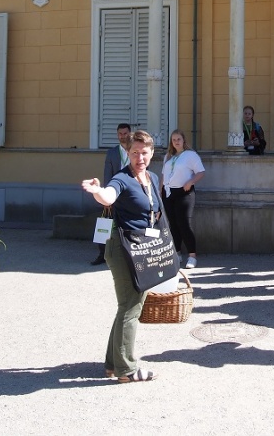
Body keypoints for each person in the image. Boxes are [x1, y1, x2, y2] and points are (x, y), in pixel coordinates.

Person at [81, 130, 162, 382]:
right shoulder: (122, 178)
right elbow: (109, 196)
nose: (139, 158)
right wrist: (97, 190)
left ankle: (112, 364)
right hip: (122, 247)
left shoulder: (151, 177)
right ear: (128, 153)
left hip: (142, 247)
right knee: (131, 306)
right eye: (134, 152)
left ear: (151, 153)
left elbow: (155, 211)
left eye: (144, 152)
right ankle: (126, 369)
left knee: (126, 306)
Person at [161, 129, 205, 269]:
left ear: (183, 140)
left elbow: (201, 172)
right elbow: (163, 176)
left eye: (178, 139)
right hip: (168, 192)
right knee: (173, 224)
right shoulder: (168, 156)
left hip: (184, 192)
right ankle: (177, 253)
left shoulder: (190, 155)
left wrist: (190, 182)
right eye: (174, 140)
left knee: (184, 223)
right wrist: (159, 191)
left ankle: (192, 256)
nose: (176, 142)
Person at [91, 122, 132, 266]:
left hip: (131, 194)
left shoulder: (135, 151)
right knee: (107, 224)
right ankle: (103, 254)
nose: (123, 136)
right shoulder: (112, 153)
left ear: (130, 134)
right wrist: (106, 196)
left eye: (125, 133)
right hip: (114, 193)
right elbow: (107, 175)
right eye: (120, 134)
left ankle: (128, 256)